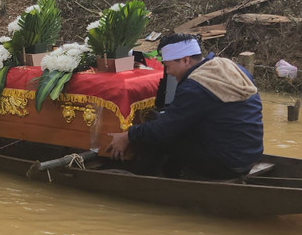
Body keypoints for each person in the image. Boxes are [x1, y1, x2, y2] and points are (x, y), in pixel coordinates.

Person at [101, 34, 264, 179]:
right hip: (251, 156)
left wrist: (128, 135)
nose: (168, 71)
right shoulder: (233, 68)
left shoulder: (195, 87)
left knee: (156, 136)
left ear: (186, 60)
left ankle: (142, 180)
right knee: (165, 125)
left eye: (168, 65)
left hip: (227, 165)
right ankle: (173, 172)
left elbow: (162, 131)